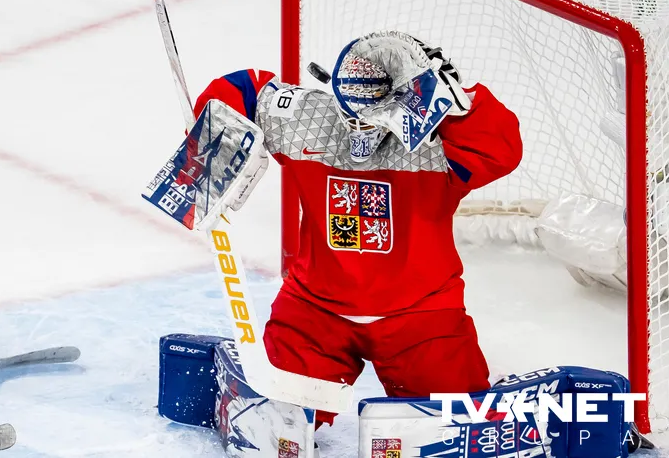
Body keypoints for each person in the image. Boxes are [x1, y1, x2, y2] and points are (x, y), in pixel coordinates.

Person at [191, 31, 523, 427]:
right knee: (277, 423)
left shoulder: (441, 140)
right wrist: (216, 139)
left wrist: (462, 106)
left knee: (456, 430)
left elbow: (502, 149)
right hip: (314, 311)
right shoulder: (305, 118)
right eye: (352, 113)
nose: (360, 128)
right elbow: (240, 88)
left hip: (422, 316)